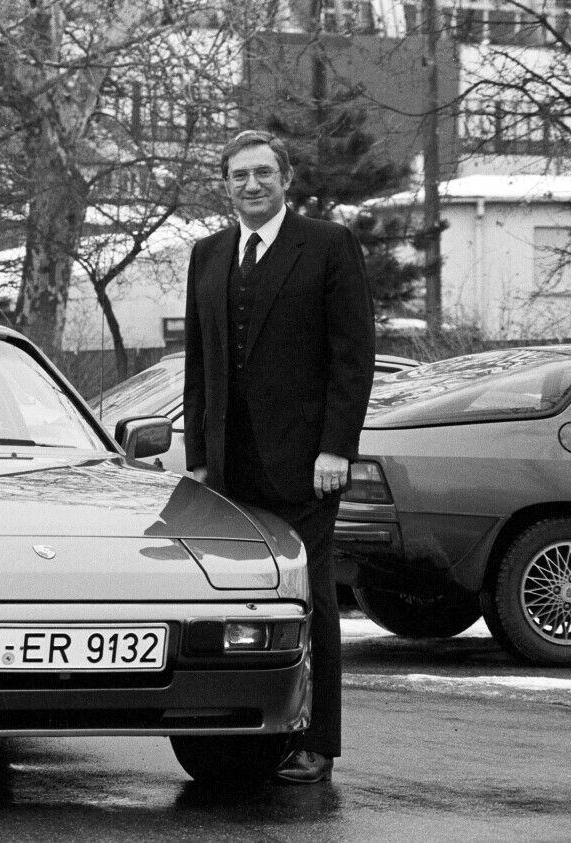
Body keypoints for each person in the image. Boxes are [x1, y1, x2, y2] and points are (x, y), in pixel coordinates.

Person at [183, 129, 375, 784]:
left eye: (263, 173)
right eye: (239, 175)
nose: (251, 185)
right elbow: (200, 367)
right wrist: (200, 458)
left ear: (285, 179)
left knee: (309, 595)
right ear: (226, 184)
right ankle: (238, 728)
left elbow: (353, 359)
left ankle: (316, 739)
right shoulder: (207, 255)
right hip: (229, 468)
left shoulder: (327, 246)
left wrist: (336, 448)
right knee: (238, 599)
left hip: (305, 462)